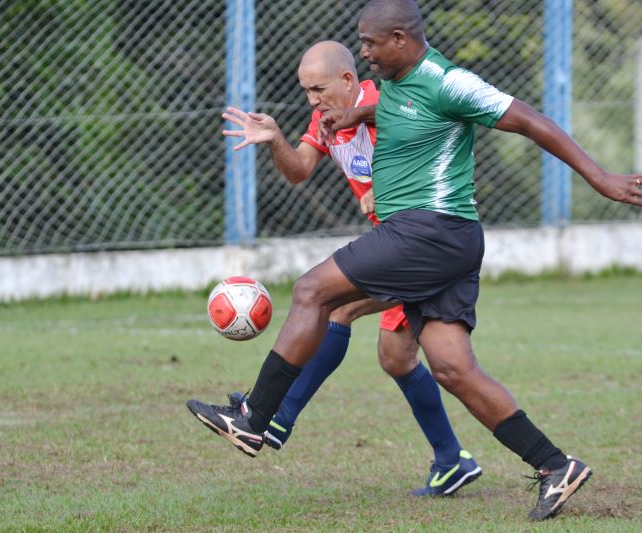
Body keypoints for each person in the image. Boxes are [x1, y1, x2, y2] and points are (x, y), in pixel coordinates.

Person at [187, 0, 642, 521]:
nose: (364, 53)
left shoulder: (447, 80)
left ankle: (257, 417)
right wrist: (355, 114)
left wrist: (599, 177)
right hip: (441, 240)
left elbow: (530, 120)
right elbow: (390, 110)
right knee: (452, 367)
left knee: (312, 292)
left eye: (369, 43)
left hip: (428, 230)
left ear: (399, 38)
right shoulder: (393, 83)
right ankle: (555, 466)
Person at [203, 40, 481, 497]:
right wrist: (274, 139)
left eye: (318, 88)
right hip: (395, 249)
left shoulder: (383, 101)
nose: (312, 99)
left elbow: (416, 130)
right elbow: (297, 171)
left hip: (419, 245)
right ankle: (452, 460)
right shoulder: (324, 120)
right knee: (396, 357)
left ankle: (276, 418)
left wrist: (381, 187)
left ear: (349, 80)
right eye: (305, 90)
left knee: (336, 308)